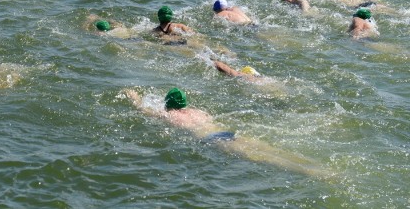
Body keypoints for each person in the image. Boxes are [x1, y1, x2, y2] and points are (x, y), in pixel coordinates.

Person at [125, 87, 329, 177]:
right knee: (266, 148)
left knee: (260, 157)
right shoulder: (199, 112)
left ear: (168, 104)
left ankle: (306, 171)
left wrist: (133, 97)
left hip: (211, 140)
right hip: (227, 132)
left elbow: (144, 110)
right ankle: (312, 166)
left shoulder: (170, 116)